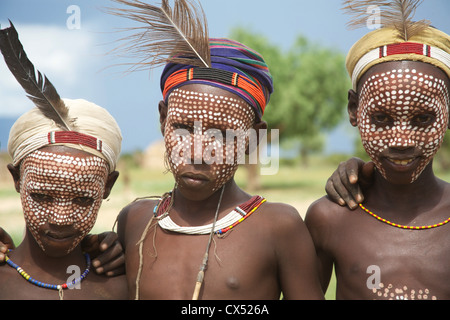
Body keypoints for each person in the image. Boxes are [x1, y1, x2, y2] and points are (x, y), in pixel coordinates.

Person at [109, 0, 323, 300]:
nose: (198, 152)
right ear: (163, 119)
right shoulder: (136, 221)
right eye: (183, 128)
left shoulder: (278, 227)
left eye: (222, 135)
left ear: (252, 139)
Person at [305, 0, 450, 299]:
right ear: (354, 109)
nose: (401, 140)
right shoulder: (329, 218)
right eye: (382, 118)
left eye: (423, 119)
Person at [0, 22, 128, 299]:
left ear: (107, 186)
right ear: (17, 179)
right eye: (43, 196)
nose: (61, 219)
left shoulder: (125, 283)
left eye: (82, 199)